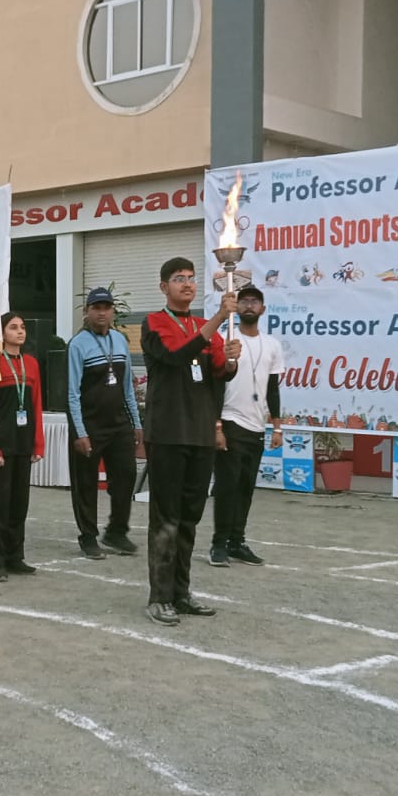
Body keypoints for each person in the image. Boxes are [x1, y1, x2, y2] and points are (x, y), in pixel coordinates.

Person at [140, 258, 239, 626]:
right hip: (167, 432)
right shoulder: (154, 323)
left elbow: (217, 371)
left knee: (189, 518)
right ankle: (159, 597)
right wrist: (217, 319)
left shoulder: (203, 327)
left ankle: (181, 593)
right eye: (178, 279)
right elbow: (175, 355)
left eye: (191, 279)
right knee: (166, 518)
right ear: (164, 286)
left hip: (199, 433)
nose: (187, 284)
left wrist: (230, 361)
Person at [209, 286, 284, 567]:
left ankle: (237, 542)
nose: (249, 305)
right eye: (244, 301)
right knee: (227, 487)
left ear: (263, 309)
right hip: (229, 420)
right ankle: (218, 544)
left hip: (257, 424)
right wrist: (216, 425)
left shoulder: (273, 345)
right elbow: (216, 383)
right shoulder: (226, 339)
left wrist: (276, 427)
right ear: (237, 308)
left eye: (255, 302)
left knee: (246, 488)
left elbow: (273, 388)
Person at [66, 287, 143, 560]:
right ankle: (88, 537)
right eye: (96, 308)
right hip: (89, 425)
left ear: (113, 311)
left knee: (126, 476)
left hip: (119, 424)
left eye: (106, 307)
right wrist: (80, 431)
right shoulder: (78, 344)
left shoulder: (120, 341)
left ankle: (116, 531)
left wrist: (136, 424)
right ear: (87, 312)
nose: (102, 312)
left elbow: (127, 387)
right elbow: (72, 393)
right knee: (85, 483)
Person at [0, 313, 46, 581]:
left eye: (22, 327)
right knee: (1, 504)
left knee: (20, 503)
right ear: (1, 333)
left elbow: (36, 404)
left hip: (24, 441)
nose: (20, 332)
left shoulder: (31, 364)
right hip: (3, 442)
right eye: (13, 327)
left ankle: (15, 556)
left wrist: (38, 443)